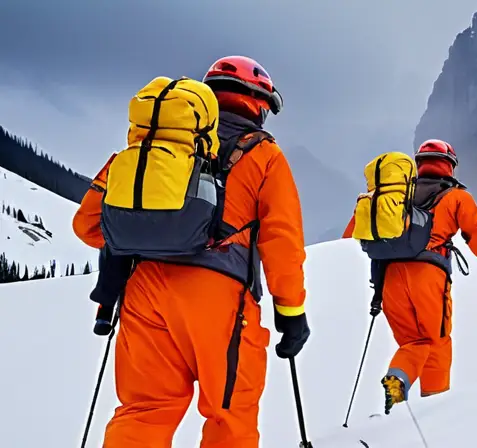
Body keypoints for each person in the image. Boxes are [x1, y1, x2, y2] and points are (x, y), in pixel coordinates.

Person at [72, 55, 309, 447]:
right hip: (219, 299)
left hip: (143, 295)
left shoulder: (145, 148)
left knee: (144, 412)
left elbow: (88, 226)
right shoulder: (265, 156)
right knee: (228, 415)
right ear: (260, 104)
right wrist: (292, 312)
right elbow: (282, 241)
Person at [342, 139, 477, 414]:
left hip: (389, 280)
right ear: (450, 166)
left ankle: (398, 379)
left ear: (418, 164)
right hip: (429, 277)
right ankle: (437, 407)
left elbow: (355, 233)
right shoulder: (456, 197)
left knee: (413, 342)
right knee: (438, 340)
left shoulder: (395, 198)